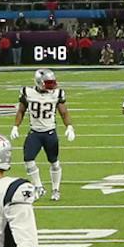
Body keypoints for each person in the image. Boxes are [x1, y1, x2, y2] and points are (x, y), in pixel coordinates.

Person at [11, 68, 74, 200]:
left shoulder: (57, 93)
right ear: (40, 82)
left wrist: (69, 126)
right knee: (28, 159)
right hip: (35, 132)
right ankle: (39, 187)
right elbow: (21, 111)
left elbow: (64, 112)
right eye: (48, 83)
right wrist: (15, 127)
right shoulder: (27, 92)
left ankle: (55, 189)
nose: (52, 85)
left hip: (50, 133)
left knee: (54, 162)